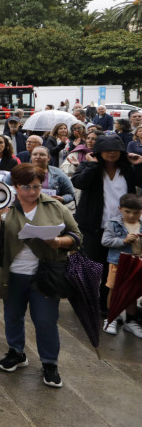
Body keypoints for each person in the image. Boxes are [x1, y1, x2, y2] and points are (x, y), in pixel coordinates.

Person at [0, 164, 81, 388]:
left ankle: (50, 363)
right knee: (12, 316)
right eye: (26, 186)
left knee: (45, 320)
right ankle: (16, 352)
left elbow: (76, 235)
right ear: (16, 186)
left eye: (37, 186)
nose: (32, 191)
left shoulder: (55, 206)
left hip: (46, 273)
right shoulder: (3, 202)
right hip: (13, 272)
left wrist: (58, 242)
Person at [71, 135, 142, 315]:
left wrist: (140, 163)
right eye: (107, 149)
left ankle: (104, 306)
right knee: (91, 267)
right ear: (99, 152)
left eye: (115, 149)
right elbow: (79, 182)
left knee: (111, 270)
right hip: (93, 227)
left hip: (120, 229)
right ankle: (85, 303)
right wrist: (93, 165)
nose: (111, 153)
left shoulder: (127, 170)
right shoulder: (90, 166)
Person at [101, 193, 142, 336]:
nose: (131, 215)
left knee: (132, 292)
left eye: (136, 212)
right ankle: (111, 317)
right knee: (114, 289)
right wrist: (123, 241)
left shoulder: (140, 224)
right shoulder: (113, 223)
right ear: (120, 209)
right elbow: (105, 241)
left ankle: (130, 321)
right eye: (127, 212)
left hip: (137, 264)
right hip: (117, 262)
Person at [7, 146, 75, 207]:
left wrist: (63, 199)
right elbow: (5, 186)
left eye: (42, 155)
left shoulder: (58, 173)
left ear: (48, 158)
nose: (38, 157)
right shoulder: (20, 170)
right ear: (31, 156)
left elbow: (71, 194)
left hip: (49, 210)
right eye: (34, 154)